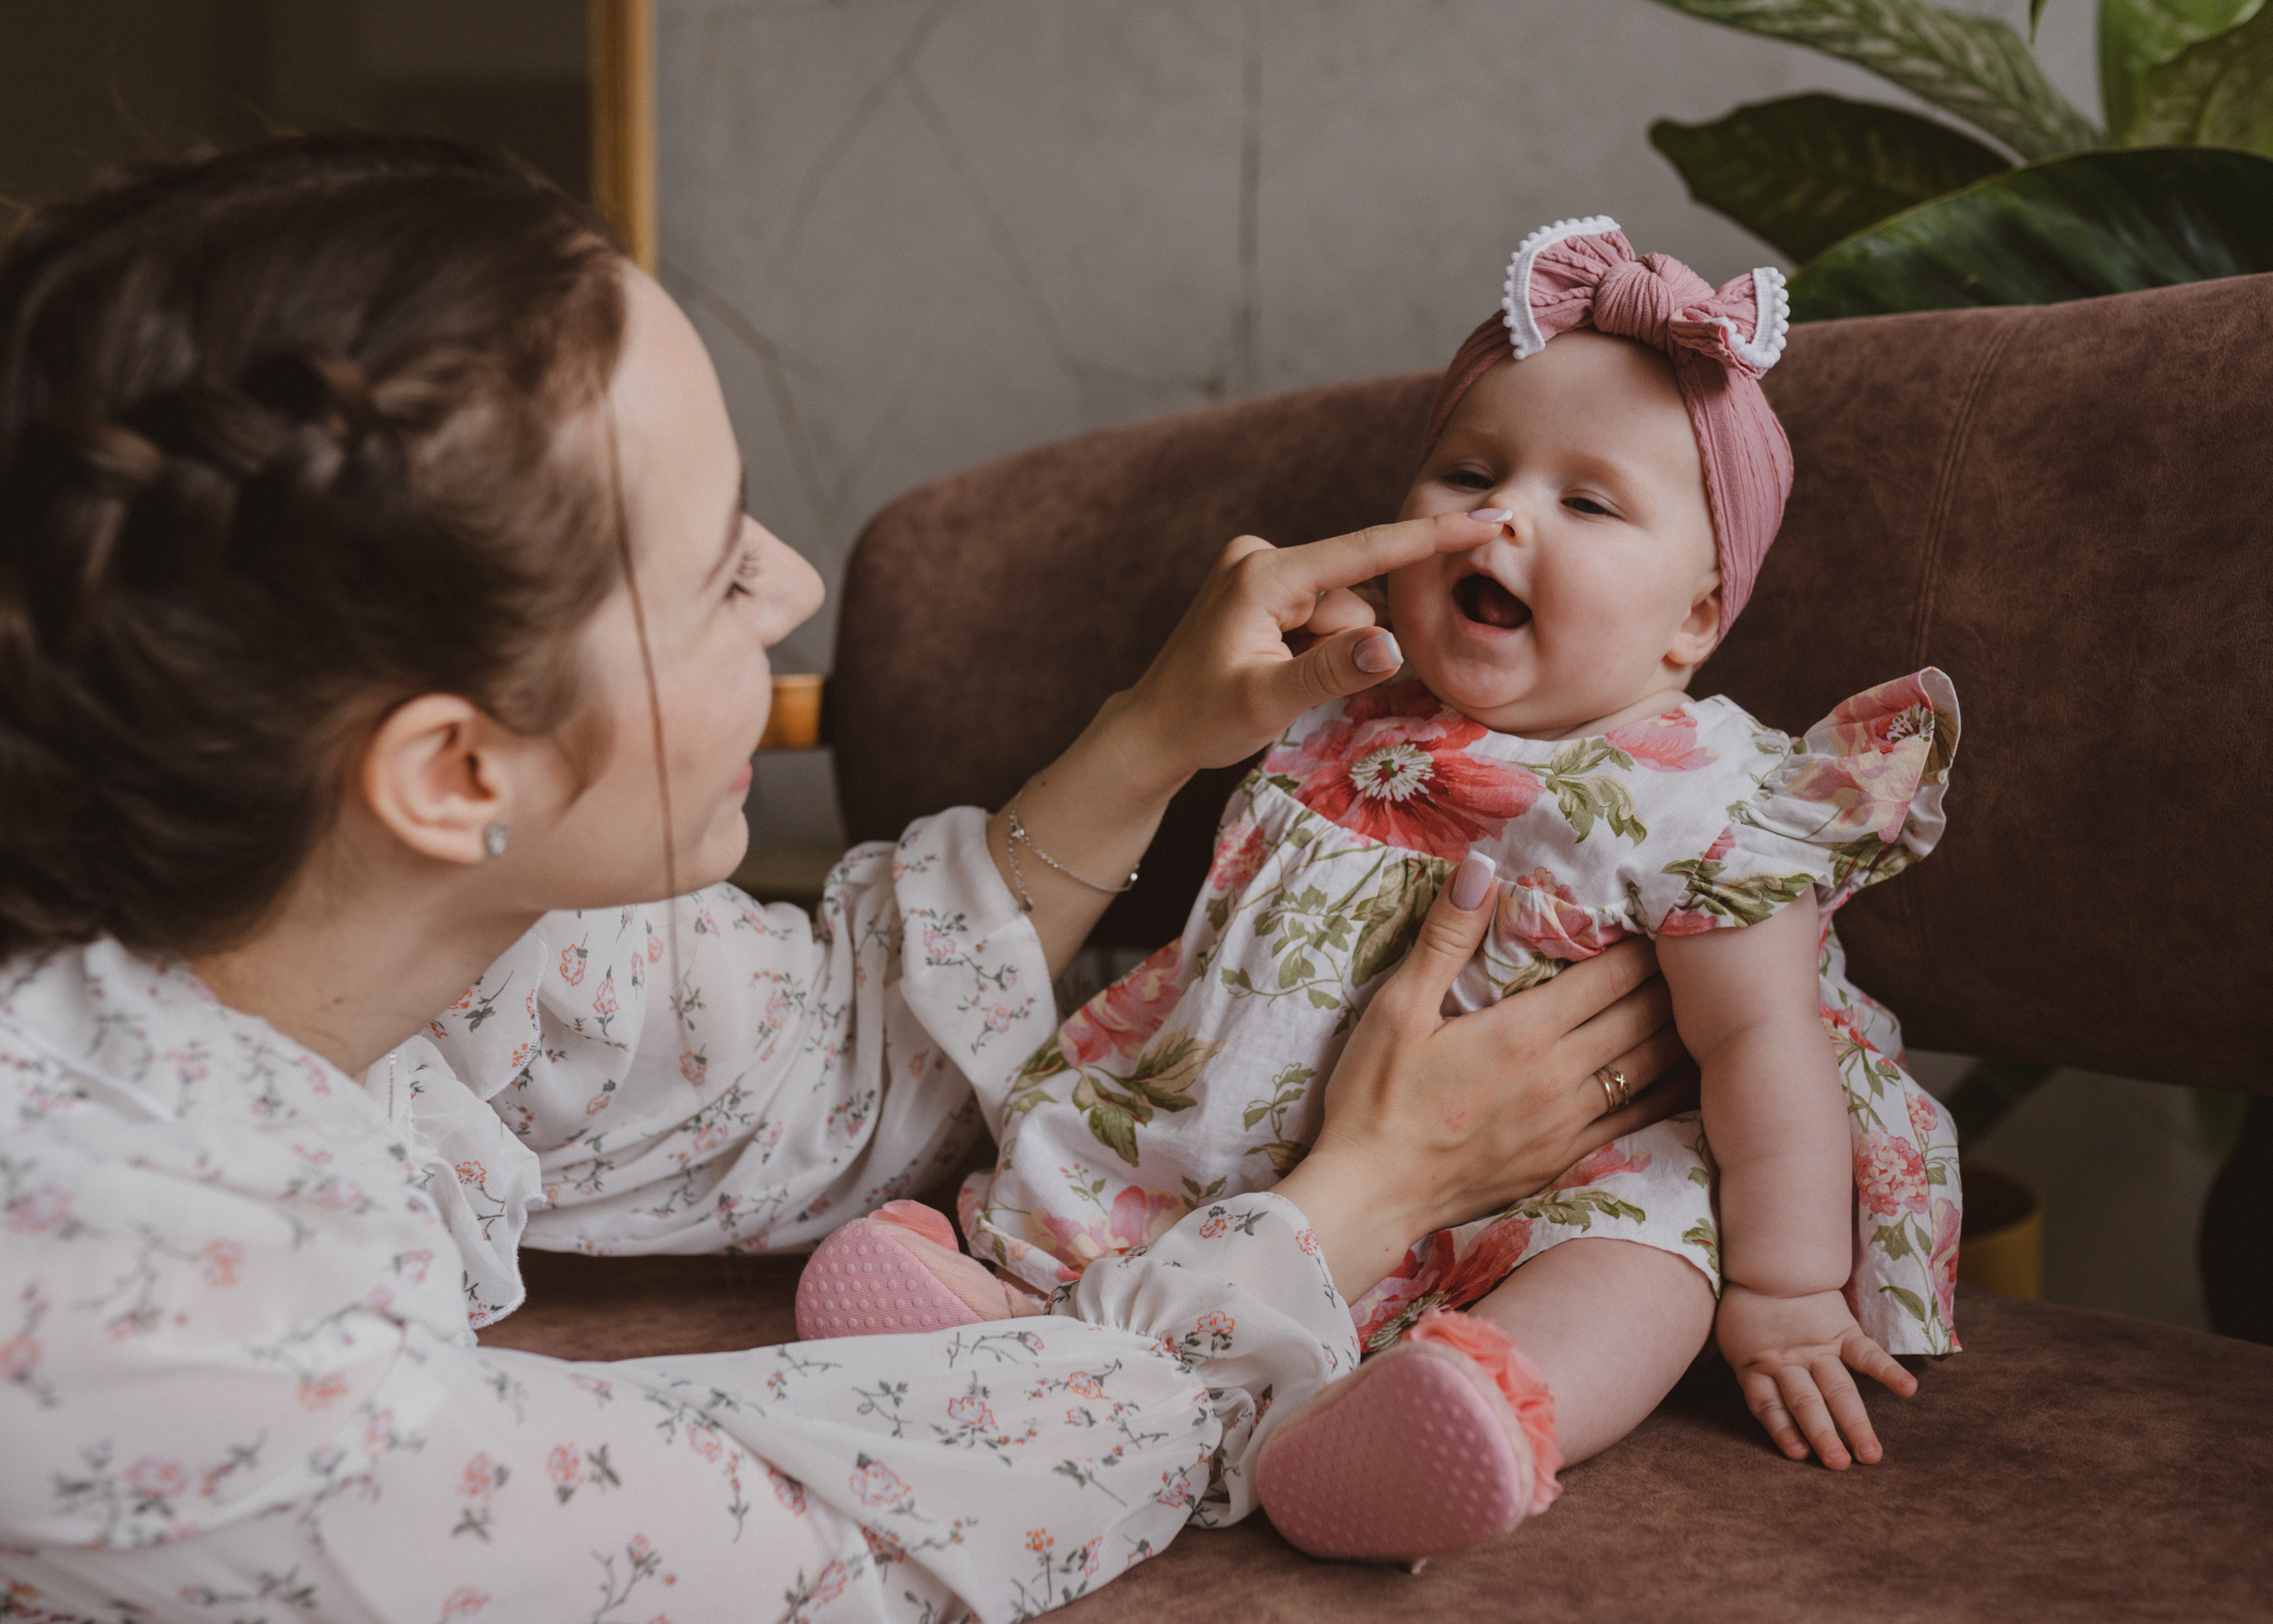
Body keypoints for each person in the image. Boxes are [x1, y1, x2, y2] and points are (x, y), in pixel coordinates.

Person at [0, 141, 1692, 1623]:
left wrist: (1156, 731)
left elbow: (822, 1076)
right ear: (454, 773)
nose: (797, 576)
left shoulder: (375, 925)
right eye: (721, 564)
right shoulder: (127, 1291)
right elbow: (826, 1531)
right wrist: (1356, 1201)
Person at [800, 218, 1963, 1565]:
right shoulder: (1333, 702)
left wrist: (1790, 1284)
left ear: (1695, 618)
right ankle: (1008, 1311)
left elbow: (1766, 1042)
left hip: (1546, 1183)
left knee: (1641, 1261)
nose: (1506, 514)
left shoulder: (1701, 791)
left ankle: (1460, 1410)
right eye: (1469, 475)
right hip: (1261, 1133)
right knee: (1109, 1135)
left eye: (1588, 503)